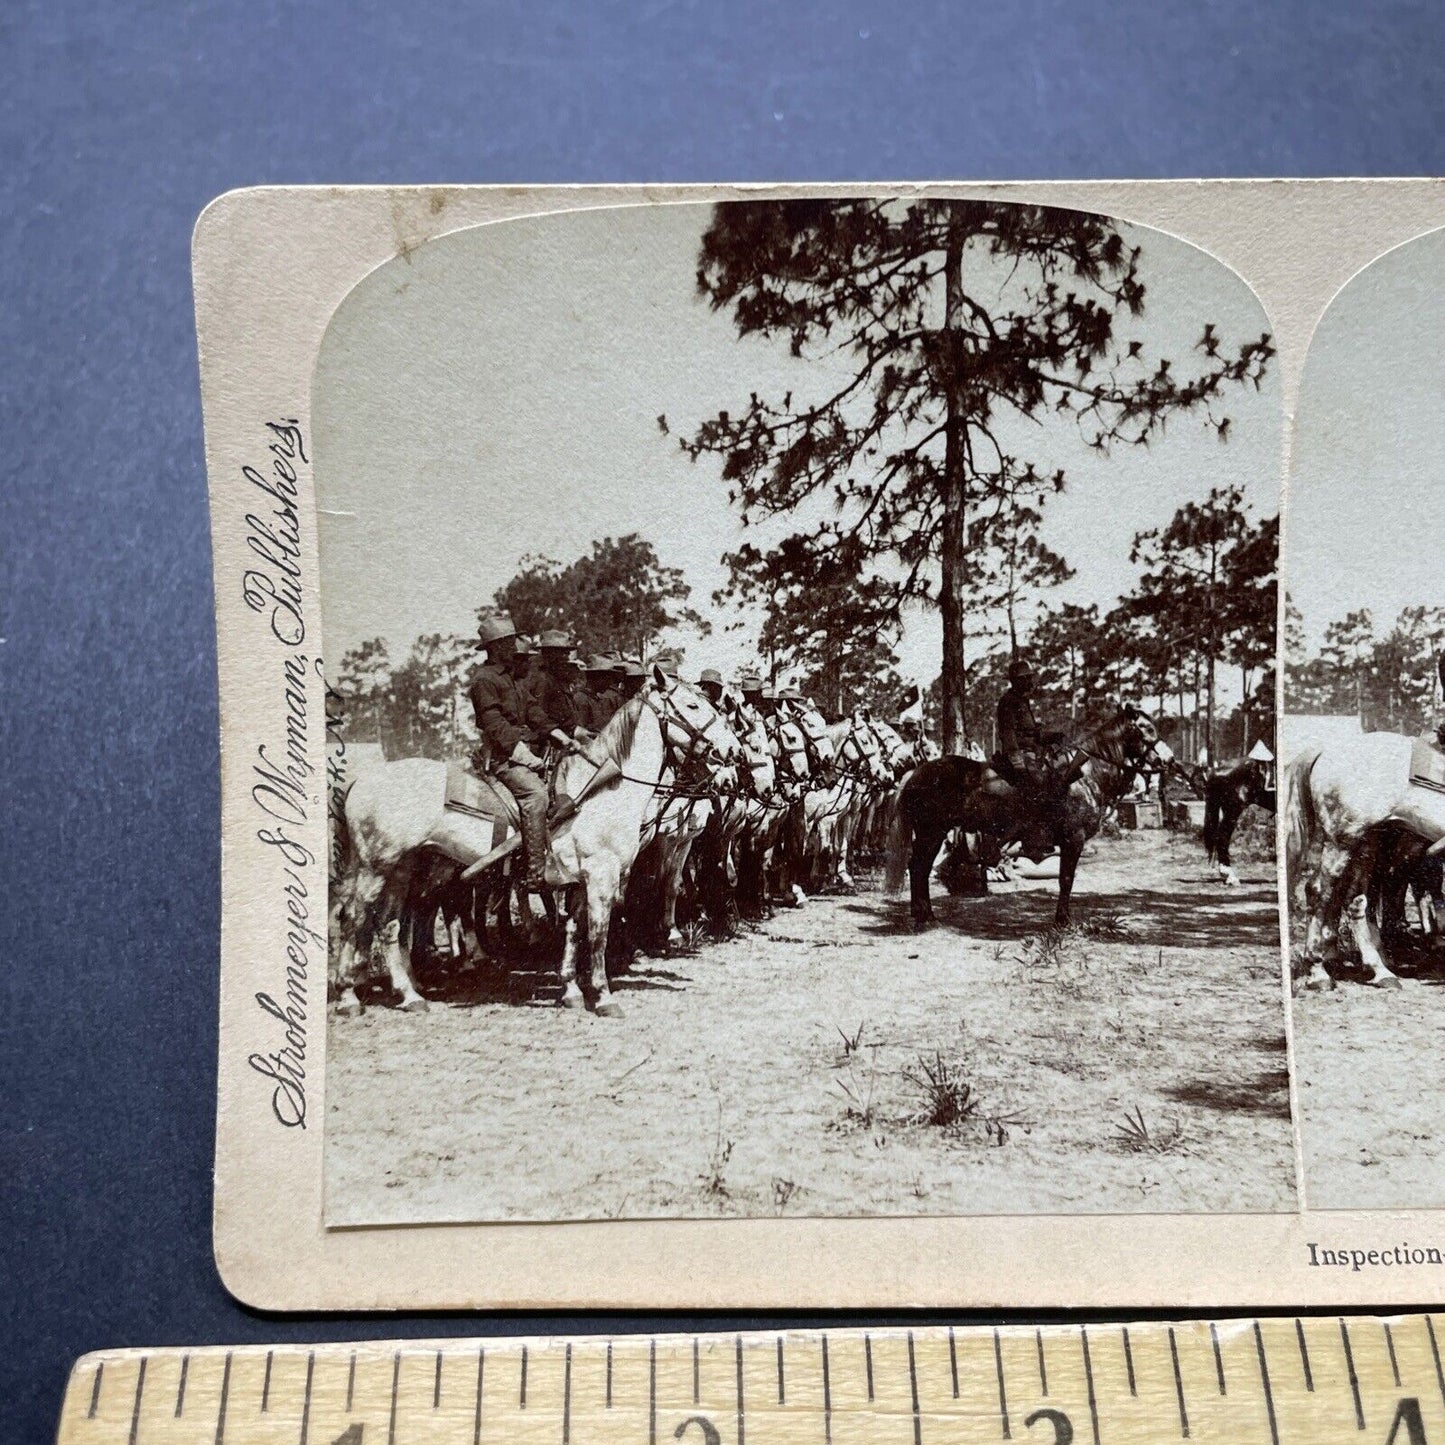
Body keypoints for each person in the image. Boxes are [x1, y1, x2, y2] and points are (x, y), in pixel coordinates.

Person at [468, 614, 549, 891]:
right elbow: (495, 725)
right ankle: (535, 872)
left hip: (518, 752)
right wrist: (525, 755)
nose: (514, 648)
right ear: (496, 647)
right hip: (503, 759)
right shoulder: (484, 680)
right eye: (509, 643)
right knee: (536, 795)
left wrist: (567, 736)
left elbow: (535, 713)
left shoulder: (512, 680)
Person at [995, 658, 1065, 806]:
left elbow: (1030, 732)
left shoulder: (1022, 701)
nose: (1030, 682)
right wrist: (1017, 761)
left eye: (1030, 678)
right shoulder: (1008, 701)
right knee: (1040, 787)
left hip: (1032, 753)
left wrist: (1053, 737)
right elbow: (1008, 733)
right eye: (1026, 678)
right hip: (1021, 754)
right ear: (1017, 681)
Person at [532, 630, 583, 750]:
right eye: (563, 653)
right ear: (551, 653)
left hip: (562, 743)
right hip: (544, 747)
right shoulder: (541, 679)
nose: (567, 657)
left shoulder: (555, 679)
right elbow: (538, 719)